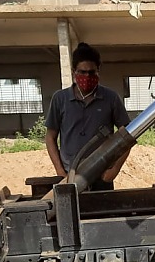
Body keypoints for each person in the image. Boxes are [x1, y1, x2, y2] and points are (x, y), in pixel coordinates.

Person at [45, 42, 131, 191]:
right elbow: (50, 137)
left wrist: (114, 169)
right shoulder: (60, 99)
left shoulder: (110, 98)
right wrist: (60, 171)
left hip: (101, 177)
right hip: (69, 176)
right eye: (82, 72)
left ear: (98, 70)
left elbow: (127, 137)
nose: (87, 76)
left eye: (91, 72)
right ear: (74, 72)